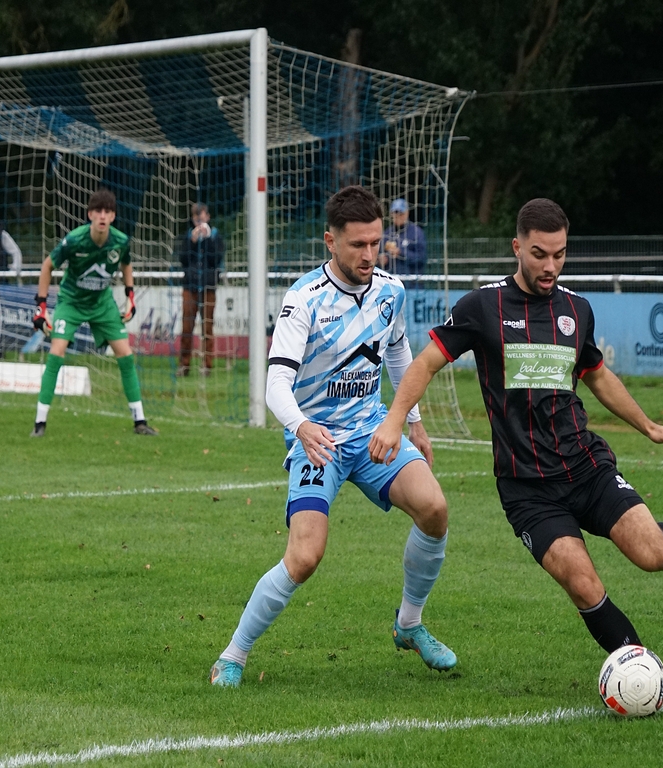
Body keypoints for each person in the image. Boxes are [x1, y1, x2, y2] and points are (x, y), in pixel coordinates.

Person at [369, 197, 663, 709]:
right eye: (540, 254)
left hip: (586, 468)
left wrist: (649, 426)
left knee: (654, 556)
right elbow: (425, 363)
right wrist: (395, 420)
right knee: (583, 584)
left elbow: (598, 376)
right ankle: (648, 681)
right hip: (527, 491)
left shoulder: (576, 310)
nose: (550, 266)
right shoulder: (481, 307)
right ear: (517, 247)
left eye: (560, 254)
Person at [209, 185, 456, 688]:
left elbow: (398, 352)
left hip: (371, 431)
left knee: (434, 509)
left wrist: (412, 420)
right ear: (331, 241)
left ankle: (409, 624)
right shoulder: (304, 300)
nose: (369, 254)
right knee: (304, 557)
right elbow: (275, 384)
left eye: (375, 243)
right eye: (357, 244)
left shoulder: (391, 291)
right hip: (316, 441)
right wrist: (300, 426)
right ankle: (232, 655)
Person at [30, 188, 158, 437]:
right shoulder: (74, 240)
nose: (102, 216)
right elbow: (47, 266)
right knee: (57, 352)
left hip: (102, 303)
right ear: (89, 215)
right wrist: (41, 306)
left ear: (113, 216)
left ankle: (140, 421)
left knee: (126, 355)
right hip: (71, 301)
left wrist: (130, 296)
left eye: (107, 212)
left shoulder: (120, 241)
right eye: (98, 211)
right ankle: (40, 423)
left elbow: (126, 263)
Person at [177, 203, 225, 376]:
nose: (199, 220)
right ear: (192, 219)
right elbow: (182, 259)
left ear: (207, 217)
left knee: (207, 328)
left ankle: (207, 365)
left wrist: (208, 239)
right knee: (186, 327)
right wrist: (192, 242)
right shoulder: (188, 236)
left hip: (208, 288)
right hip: (190, 287)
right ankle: (184, 365)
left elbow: (217, 259)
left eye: (201, 216)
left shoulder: (216, 236)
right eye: (195, 217)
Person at [378, 198, 427, 276]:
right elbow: (380, 254)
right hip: (391, 279)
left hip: (411, 280)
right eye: (395, 213)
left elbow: (421, 258)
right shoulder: (387, 233)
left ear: (407, 213)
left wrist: (400, 252)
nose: (397, 216)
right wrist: (381, 260)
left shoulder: (416, 232)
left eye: (401, 213)